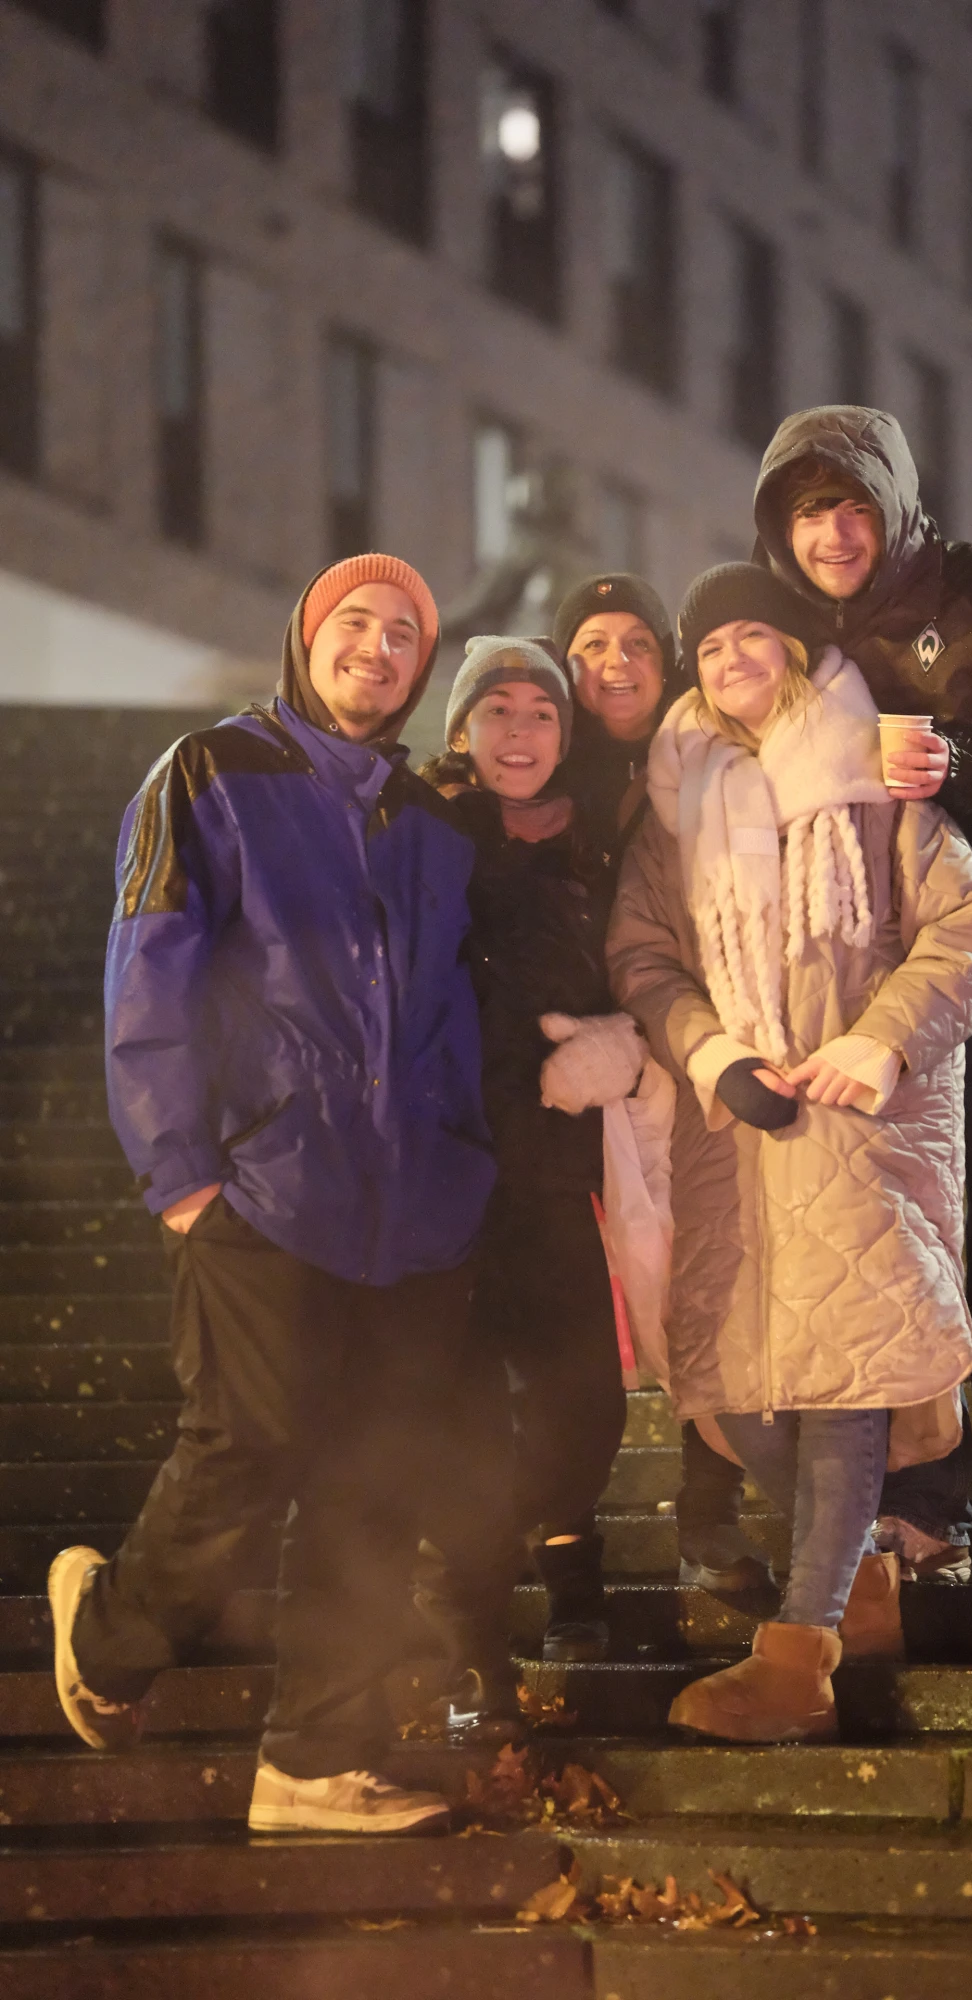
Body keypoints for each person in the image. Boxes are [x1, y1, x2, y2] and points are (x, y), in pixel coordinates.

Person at [47, 554, 508, 1835]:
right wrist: (180, 1170)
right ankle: (115, 1633)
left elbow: (457, 1011)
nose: (377, 645)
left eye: (404, 633)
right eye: (353, 622)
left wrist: (463, 1169)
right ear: (305, 642)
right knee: (247, 1444)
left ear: (423, 668)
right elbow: (151, 967)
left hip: (414, 1214)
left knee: (379, 1480)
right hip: (262, 1187)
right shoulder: (213, 771)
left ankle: (316, 1758)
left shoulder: (427, 817)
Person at [607, 564, 972, 1741]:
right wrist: (713, 1051)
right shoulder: (672, 800)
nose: (731, 659)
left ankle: (798, 1652)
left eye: (751, 636)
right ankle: (864, 1576)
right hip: (736, 1120)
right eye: (710, 644)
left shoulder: (874, 773)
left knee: (845, 1381)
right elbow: (641, 956)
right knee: (739, 1395)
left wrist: (880, 1042)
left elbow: (965, 929)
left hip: (861, 1115)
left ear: (790, 647)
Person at [751, 404, 972, 1584]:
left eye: (856, 503)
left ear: (895, 504)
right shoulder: (772, 631)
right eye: (810, 510)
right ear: (780, 527)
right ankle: (921, 1506)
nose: (836, 532)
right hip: (861, 993)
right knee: (905, 1239)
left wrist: (964, 763)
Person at [413, 635, 644, 1719]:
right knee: (456, 1411)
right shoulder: (422, 831)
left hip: (559, 1161)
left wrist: (625, 1037)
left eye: (540, 713)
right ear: (460, 729)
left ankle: (545, 1549)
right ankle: (470, 1642)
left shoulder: (601, 838)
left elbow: (655, 956)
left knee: (584, 1398)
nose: (519, 733)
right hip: (447, 1162)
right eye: (495, 711)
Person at [553, 574, 776, 1607]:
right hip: (558, 1074)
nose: (617, 661)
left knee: (702, 1281)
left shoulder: (697, 757)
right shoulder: (533, 757)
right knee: (575, 1318)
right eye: (591, 642)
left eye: (638, 640)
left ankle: (705, 1513)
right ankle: (558, 1544)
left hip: (686, 1052)